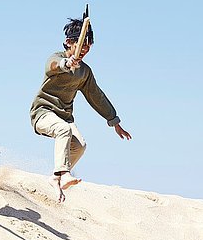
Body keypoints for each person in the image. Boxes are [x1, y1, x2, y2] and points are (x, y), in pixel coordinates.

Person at [30, 16, 132, 202]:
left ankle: (56, 177)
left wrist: (114, 120)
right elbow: (53, 65)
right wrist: (66, 64)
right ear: (69, 42)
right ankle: (64, 173)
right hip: (43, 113)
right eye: (81, 45)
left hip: (65, 117)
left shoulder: (84, 72)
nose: (84, 50)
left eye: (88, 47)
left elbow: (96, 96)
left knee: (80, 145)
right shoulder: (56, 58)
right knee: (63, 130)